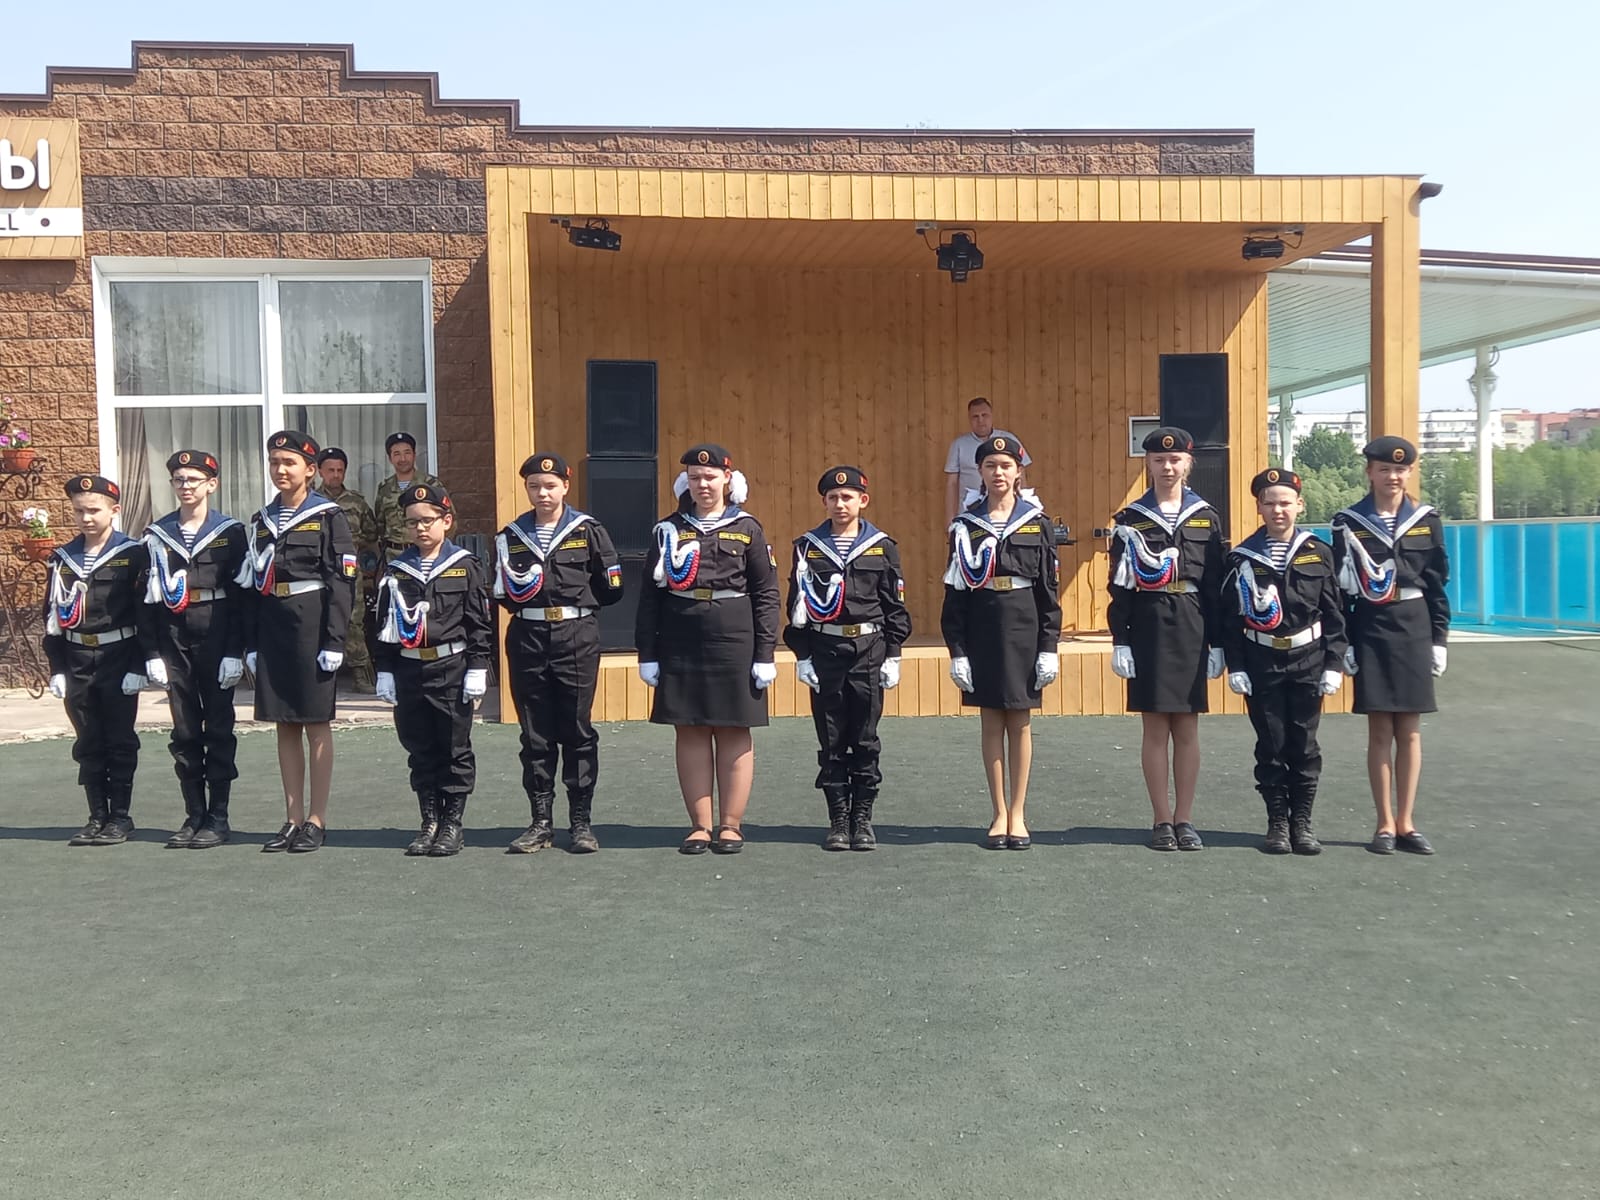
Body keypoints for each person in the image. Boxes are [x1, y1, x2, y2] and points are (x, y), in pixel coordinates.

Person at [635, 444, 781, 855]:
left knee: (734, 727)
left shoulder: (748, 528)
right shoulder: (668, 529)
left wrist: (765, 653)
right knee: (691, 728)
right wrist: (647, 652)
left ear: (727, 480)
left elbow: (766, 593)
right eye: (695, 478)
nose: (703, 484)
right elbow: (649, 596)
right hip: (680, 636)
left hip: (734, 636)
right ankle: (700, 826)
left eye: (711, 477)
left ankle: (731, 825)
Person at [494, 452, 625, 854]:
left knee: (576, 728)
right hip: (528, 634)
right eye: (534, 486)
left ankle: (581, 823)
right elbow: (501, 590)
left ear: (566, 486)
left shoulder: (588, 530)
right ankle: (540, 823)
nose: (543, 493)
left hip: (575, 635)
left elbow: (611, 587)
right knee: (535, 732)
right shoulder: (511, 535)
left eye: (550, 486)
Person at [237, 430, 358, 854]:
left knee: (315, 722)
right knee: (284, 722)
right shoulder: (261, 520)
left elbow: (342, 582)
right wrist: (252, 642)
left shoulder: (328, 516)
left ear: (310, 470)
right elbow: (253, 585)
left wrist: (335, 640)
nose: (280, 470)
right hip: (273, 625)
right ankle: (292, 818)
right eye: (274, 462)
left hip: (312, 624)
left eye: (289, 463)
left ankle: (316, 819)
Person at [1107, 426, 1227, 852]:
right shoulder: (1131, 519)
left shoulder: (1206, 517)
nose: (1167, 467)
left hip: (1192, 622)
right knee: (1155, 726)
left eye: (1175, 460)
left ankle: (1185, 819)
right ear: (1148, 463)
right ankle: (1161, 819)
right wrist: (1120, 639)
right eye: (1159, 460)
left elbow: (1215, 586)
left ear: (1189, 463)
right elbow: (1120, 586)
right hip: (1149, 622)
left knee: (1188, 726)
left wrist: (1218, 642)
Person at [1331, 435, 1451, 856]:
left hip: (1414, 625)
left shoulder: (1426, 519)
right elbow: (1340, 592)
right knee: (1380, 728)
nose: (1393, 477)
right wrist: (1343, 642)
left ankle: (1407, 822)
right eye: (1384, 469)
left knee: (1411, 730)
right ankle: (1384, 823)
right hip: (1371, 625)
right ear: (1370, 472)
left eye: (1400, 470)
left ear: (1410, 472)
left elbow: (1437, 586)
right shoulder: (1348, 521)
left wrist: (1439, 639)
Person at [783, 465, 913, 851]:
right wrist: (802, 655)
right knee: (832, 737)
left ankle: (863, 819)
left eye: (848, 497)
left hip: (869, 650)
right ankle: (839, 819)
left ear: (863, 501)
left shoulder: (882, 546)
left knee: (866, 738)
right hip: (825, 650)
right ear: (824, 502)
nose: (840, 504)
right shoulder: (807, 547)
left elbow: (894, 606)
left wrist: (894, 654)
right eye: (833, 497)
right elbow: (796, 606)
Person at [940, 435, 1061, 850]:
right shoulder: (965, 525)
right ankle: (998, 813)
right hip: (983, 623)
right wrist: (957, 650)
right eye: (990, 465)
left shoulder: (1037, 523)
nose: (998, 473)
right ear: (980, 471)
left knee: (1020, 720)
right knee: (991, 720)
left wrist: (1049, 646)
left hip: (1024, 623)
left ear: (1018, 471)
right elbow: (955, 593)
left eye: (1006, 466)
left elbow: (1048, 591)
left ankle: (1019, 813)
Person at [1221, 468, 1348, 855]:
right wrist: (1236, 665)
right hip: (1262, 659)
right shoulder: (1241, 557)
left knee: (1305, 745)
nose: (1278, 510)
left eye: (1285, 503)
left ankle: (1302, 824)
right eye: (1270, 503)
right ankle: (1277, 823)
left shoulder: (1318, 552)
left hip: (1308, 659)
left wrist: (1334, 663)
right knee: (1271, 744)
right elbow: (1230, 618)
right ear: (1259, 507)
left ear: (1300, 505)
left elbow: (1335, 612)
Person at [374, 483, 493, 857]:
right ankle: (429, 821)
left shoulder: (465, 566)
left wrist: (477, 667)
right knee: (419, 747)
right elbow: (383, 625)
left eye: (428, 520)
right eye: (412, 522)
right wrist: (384, 670)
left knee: (454, 747)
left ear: (447, 521)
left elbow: (479, 624)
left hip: (451, 667)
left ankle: (452, 823)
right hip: (410, 669)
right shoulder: (396, 569)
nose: (420, 528)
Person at [43, 474, 159, 846]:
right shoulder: (63, 558)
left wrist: (140, 665)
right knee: (88, 739)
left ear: (115, 510)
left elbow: (145, 614)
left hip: (118, 656)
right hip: (77, 657)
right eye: (79, 511)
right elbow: (52, 617)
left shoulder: (134, 553)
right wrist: (57, 668)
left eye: (93, 510)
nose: (86, 518)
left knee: (120, 739)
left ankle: (120, 817)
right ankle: (97, 816)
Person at [142, 450, 247, 849]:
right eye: (179, 480)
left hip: (216, 632)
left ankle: (218, 816)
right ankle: (193, 815)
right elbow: (146, 599)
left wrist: (236, 650)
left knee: (218, 728)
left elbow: (241, 596)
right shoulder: (158, 534)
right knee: (184, 729)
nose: (186, 486)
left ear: (211, 485)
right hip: (173, 636)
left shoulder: (230, 532)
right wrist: (151, 653)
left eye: (193, 479)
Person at [317, 447, 380, 693]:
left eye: (339, 470)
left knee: (354, 621)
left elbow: (371, 535)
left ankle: (361, 674)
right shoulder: (310, 501)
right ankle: (318, 676)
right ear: (319, 471)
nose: (335, 475)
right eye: (330, 470)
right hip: (317, 570)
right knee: (318, 619)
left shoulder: (356, 502)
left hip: (349, 571)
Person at [944, 397, 1031, 522]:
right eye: (975, 417)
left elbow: (1021, 477)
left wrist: (1024, 511)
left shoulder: (1009, 440)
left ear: (991, 416)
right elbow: (952, 484)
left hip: (1008, 512)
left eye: (984, 415)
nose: (980, 420)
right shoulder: (959, 445)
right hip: (971, 513)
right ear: (969, 419)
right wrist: (950, 519)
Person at [373, 431, 443, 567]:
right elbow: (380, 524)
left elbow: (449, 519)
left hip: (425, 554)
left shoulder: (431, 485)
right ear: (390, 458)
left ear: (414, 455)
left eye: (407, 453)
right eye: (397, 454)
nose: (403, 459)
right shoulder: (384, 489)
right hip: (393, 557)